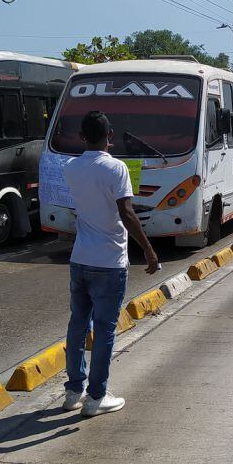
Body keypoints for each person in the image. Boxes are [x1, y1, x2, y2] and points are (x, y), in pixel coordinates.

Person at [62, 111, 160, 417]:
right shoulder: (116, 168)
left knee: (77, 325)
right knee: (104, 330)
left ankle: (73, 391)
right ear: (111, 136)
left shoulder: (70, 167)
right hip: (110, 261)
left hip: (80, 259)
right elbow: (127, 213)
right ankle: (96, 397)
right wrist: (148, 249)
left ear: (82, 136)